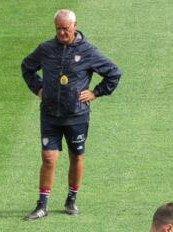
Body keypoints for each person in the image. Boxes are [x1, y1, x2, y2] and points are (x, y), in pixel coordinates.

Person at [21, 9, 121, 220]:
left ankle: (71, 199)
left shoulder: (87, 51)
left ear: (75, 26)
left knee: (76, 156)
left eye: (65, 29)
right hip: (49, 115)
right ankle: (42, 205)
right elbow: (27, 67)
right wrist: (39, 89)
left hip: (77, 116)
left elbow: (114, 72)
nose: (61, 33)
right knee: (48, 158)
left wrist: (96, 92)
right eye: (58, 29)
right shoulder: (46, 49)